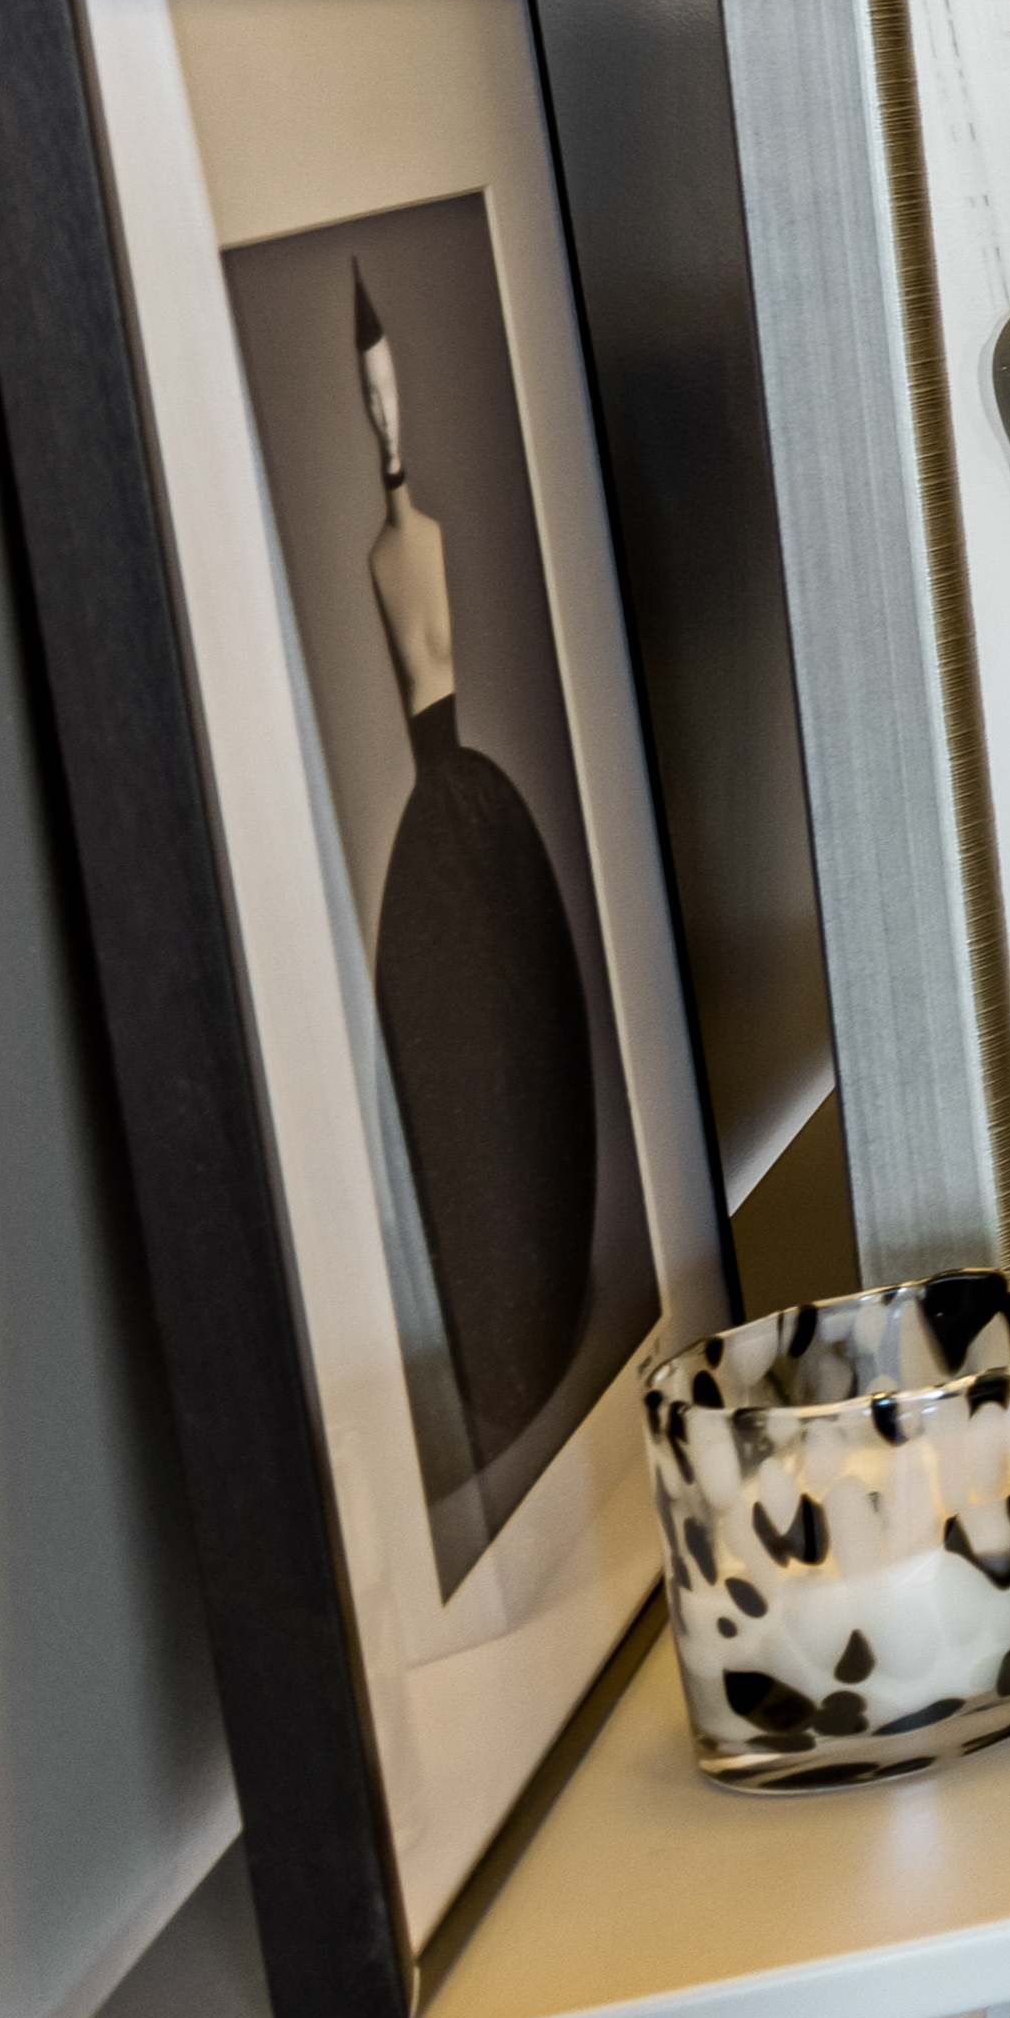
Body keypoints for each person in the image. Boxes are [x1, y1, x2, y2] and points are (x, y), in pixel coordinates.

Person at [352, 279, 615, 1496]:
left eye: (390, 389)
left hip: (473, 799)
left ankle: (542, 1309)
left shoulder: (429, 542)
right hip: (436, 812)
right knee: (461, 1053)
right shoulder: (380, 554)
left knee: (528, 1032)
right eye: (372, 396)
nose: (385, 412)